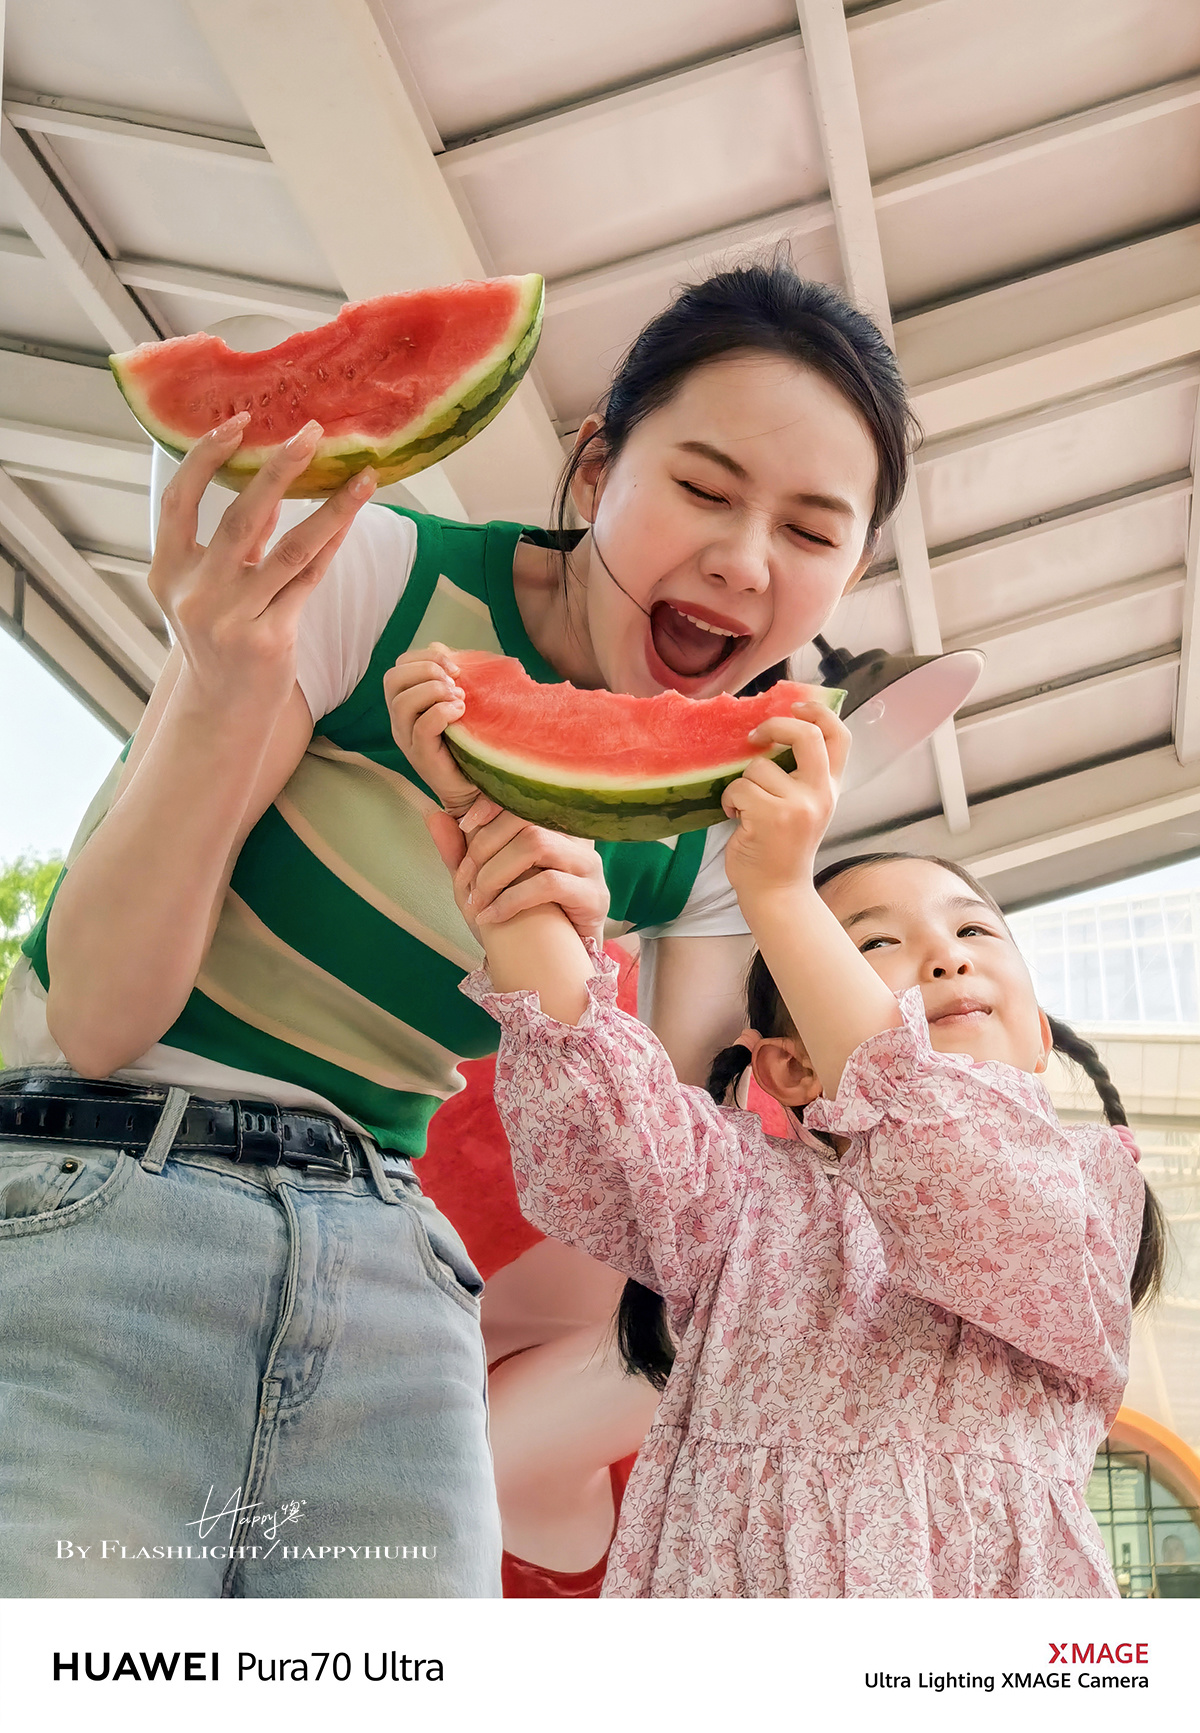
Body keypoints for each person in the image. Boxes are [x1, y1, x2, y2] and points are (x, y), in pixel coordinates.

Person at [0, 262, 913, 1597]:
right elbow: (94, 1014)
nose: (743, 559)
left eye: (813, 530)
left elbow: (657, 1208)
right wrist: (225, 680)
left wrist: (567, 979)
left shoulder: (732, 829)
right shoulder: (375, 579)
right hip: (116, 1178)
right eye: (705, 489)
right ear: (596, 471)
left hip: (392, 1251)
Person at [439, 699, 1166, 1597]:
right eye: (874, 944)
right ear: (786, 1067)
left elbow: (949, 1165)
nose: (946, 957)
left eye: (974, 929)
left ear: (1042, 1039)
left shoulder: (1086, 1190)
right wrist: (512, 865)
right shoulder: (742, 1190)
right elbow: (603, 1121)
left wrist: (781, 890)